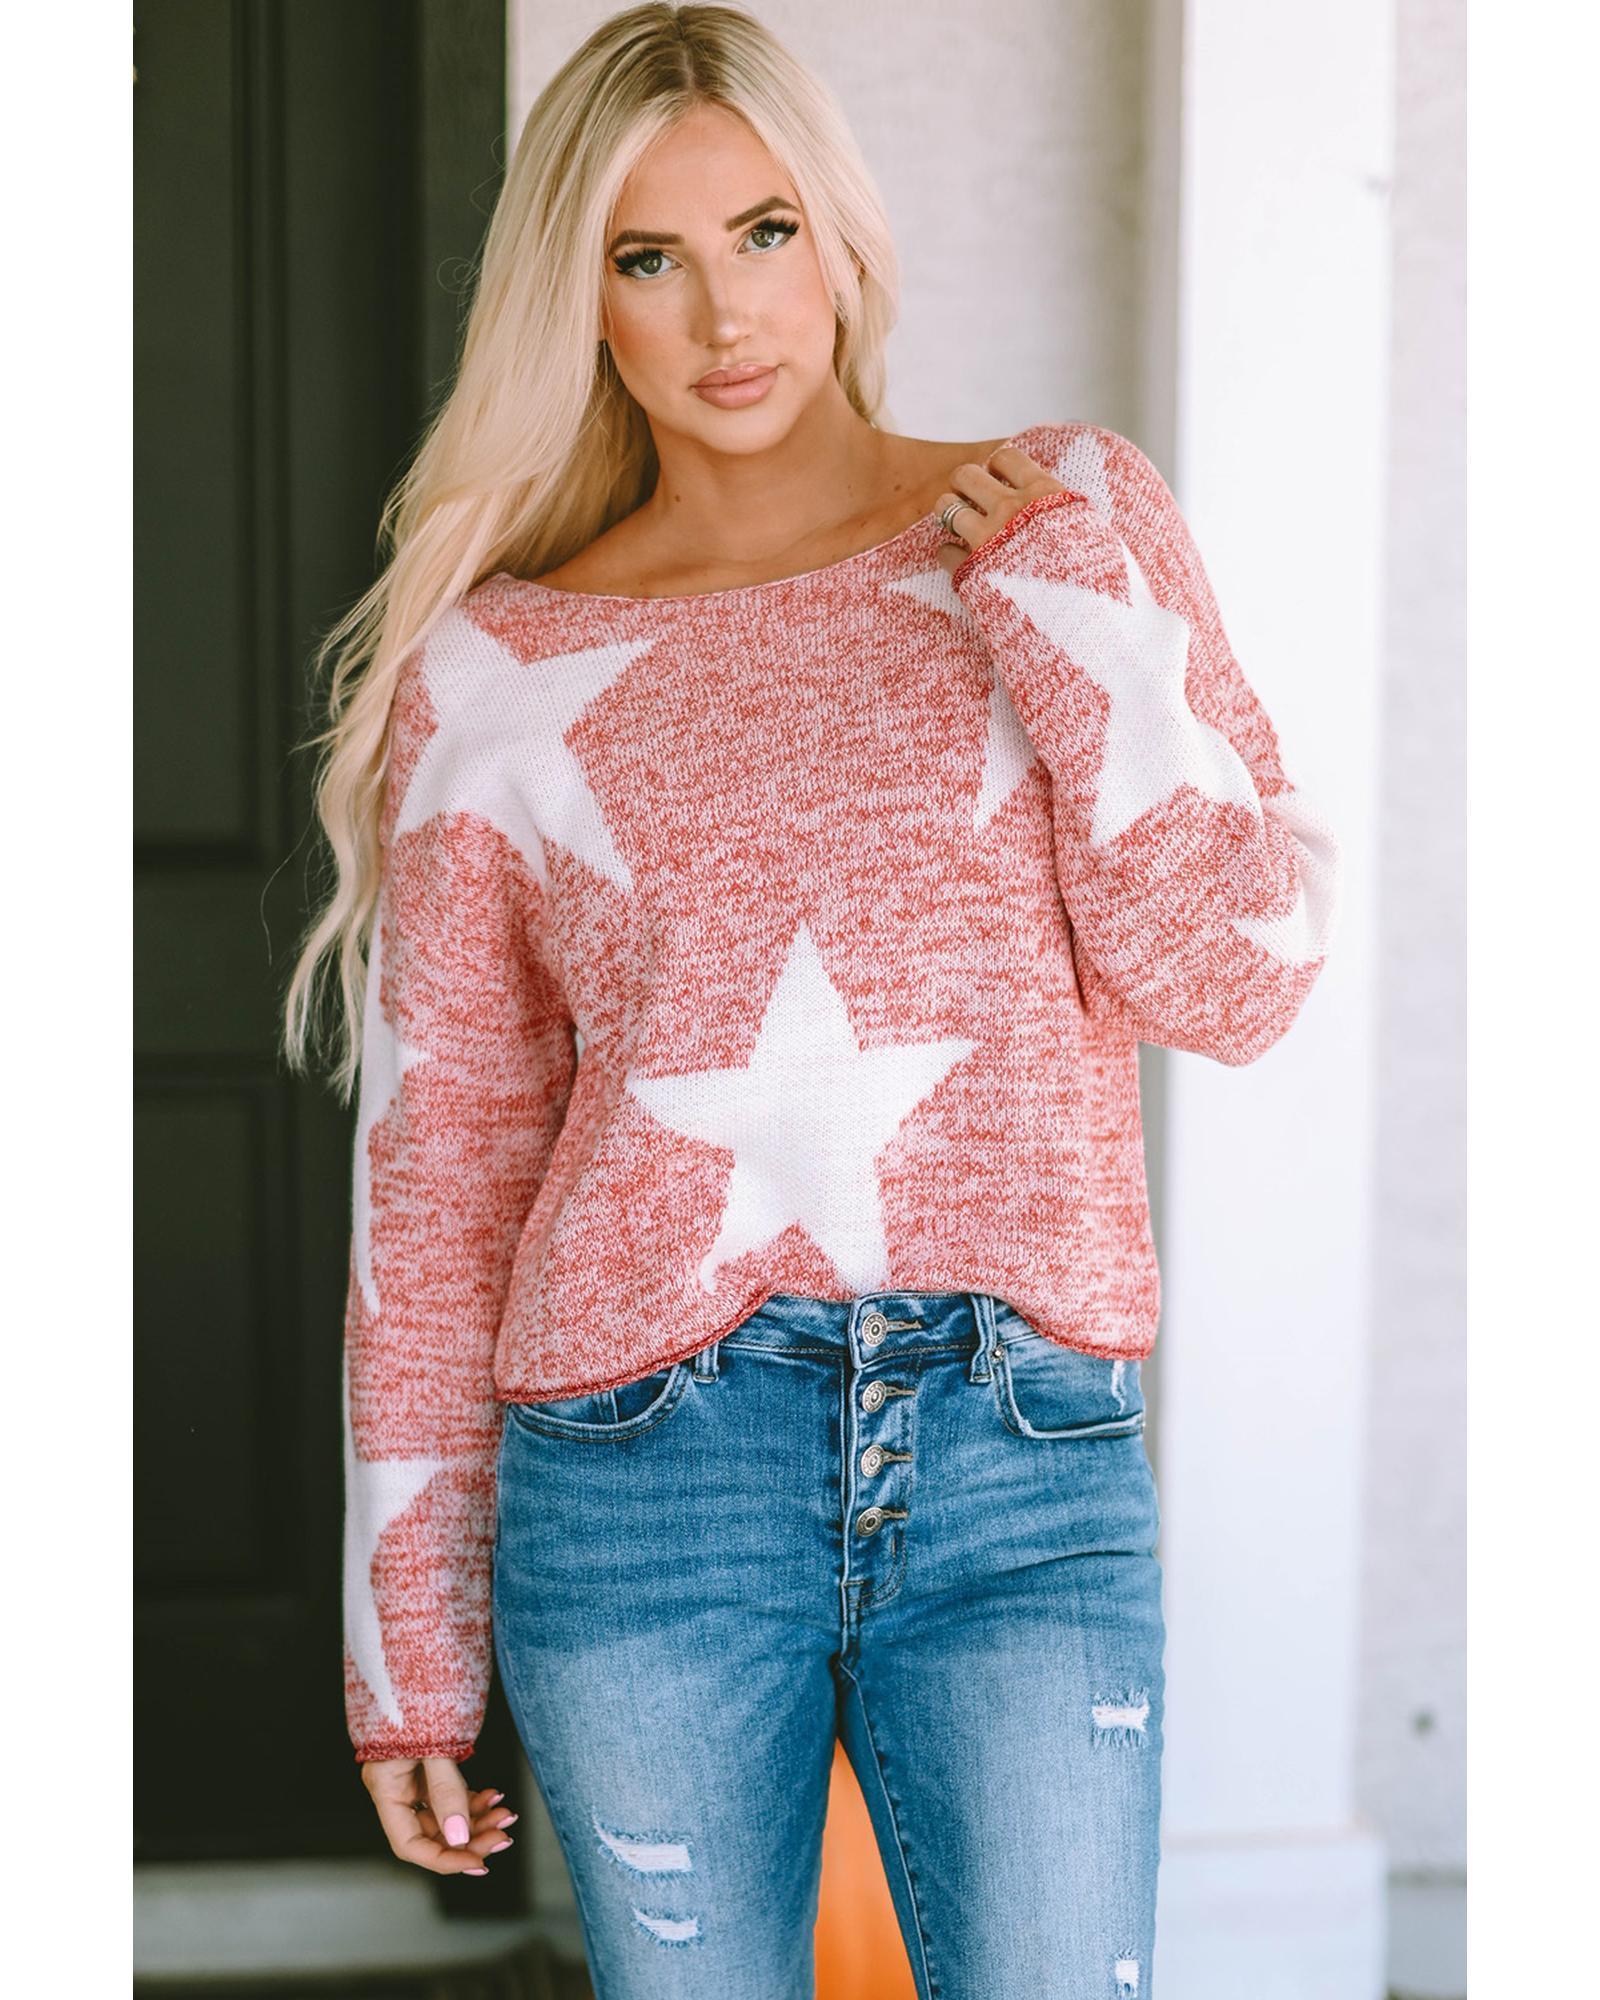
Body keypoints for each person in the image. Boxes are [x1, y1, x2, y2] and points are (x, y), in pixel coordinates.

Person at [281, 6, 1342, 1995]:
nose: (722, 313)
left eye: (762, 231)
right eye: (646, 256)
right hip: (643, 1474)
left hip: (1021, 1450)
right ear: (578, 298)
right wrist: (407, 1649)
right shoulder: (492, 672)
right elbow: (440, 1183)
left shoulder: (1059, 516)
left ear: (839, 236)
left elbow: (1231, 981)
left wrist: (1070, 622)